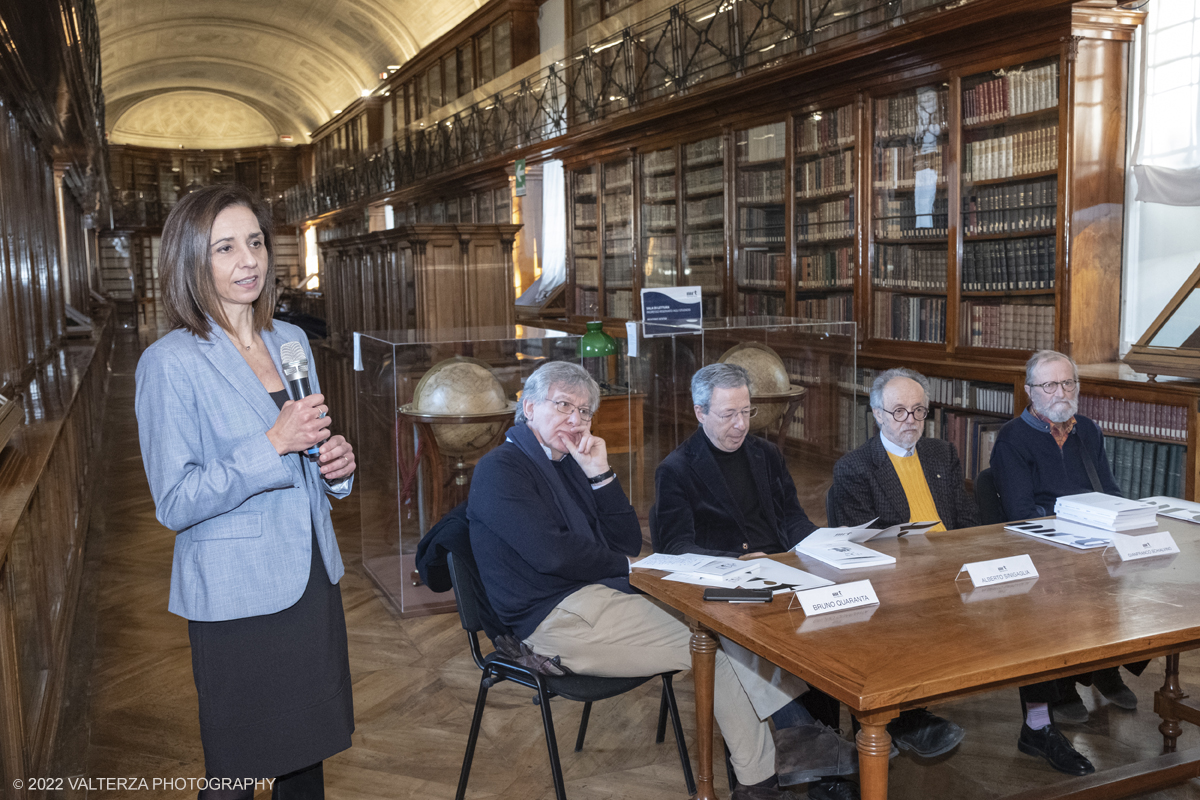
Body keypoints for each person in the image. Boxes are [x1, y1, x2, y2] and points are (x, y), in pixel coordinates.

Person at [468, 361, 858, 800]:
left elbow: (626, 539)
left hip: (600, 598)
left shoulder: (569, 463)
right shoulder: (502, 468)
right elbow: (554, 554)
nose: (576, 420)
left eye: (584, 411)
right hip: (552, 619)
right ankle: (770, 775)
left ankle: (787, 753)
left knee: (722, 625)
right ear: (529, 406)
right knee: (709, 644)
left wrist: (599, 474)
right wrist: (628, 568)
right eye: (563, 406)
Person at [135, 185, 356, 800]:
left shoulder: (291, 341)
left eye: (255, 242)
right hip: (237, 594)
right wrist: (272, 444)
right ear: (190, 262)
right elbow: (175, 501)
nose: (248, 260)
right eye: (225, 247)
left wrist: (335, 468)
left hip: (310, 577)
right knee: (235, 773)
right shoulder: (169, 362)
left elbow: (309, 451)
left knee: (307, 761)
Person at [991, 349, 1146, 776]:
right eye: (1050, 385)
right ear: (1030, 392)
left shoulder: (1088, 431)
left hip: (1091, 540)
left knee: (1139, 582)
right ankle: (1053, 698)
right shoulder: (1013, 439)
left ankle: (1102, 667)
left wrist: (1126, 518)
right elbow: (1021, 511)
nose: (1061, 392)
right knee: (1047, 607)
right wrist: (1075, 522)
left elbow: (1108, 489)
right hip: (1041, 547)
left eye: (1068, 383)